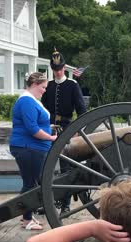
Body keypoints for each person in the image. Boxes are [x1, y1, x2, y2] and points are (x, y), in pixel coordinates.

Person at [41, 48, 87, 214]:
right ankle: (45, 202)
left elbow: (82, 111)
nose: (58, 72)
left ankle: (65, 205)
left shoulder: (73, 86)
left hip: (67, 129)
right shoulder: (49, 86)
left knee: (66, 168)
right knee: (46, 166)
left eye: (60, 68)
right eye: (55, 69)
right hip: (49, 129)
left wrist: (76, 130)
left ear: (64, 67)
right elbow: (43, 109)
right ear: (52, 69)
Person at [9, 72, 57, 231]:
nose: (44, 90)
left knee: (32, 183)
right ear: (35, 84)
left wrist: (49, 128)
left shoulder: (31, 100)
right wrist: (51, 138)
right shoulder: (26, 102)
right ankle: (27, 219)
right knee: (30, 184)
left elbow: (36, 124)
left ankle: (27, 218)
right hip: (27, 148)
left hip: (32, 148)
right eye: (43, 87)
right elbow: (32, 129)